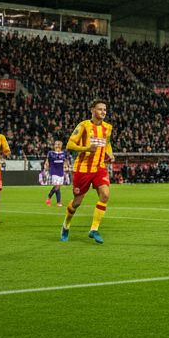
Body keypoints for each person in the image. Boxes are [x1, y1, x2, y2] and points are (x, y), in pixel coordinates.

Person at [62, 100, 114, 244]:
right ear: (92, 110)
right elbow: (70, 144)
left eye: (104, 109)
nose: (103, 112)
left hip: (99, 168)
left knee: (105, 194)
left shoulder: (107, 127)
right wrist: (86, 148)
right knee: (77, 202)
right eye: (100, 109)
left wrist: (110, 153)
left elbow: (107, 143)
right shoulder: (83, 126)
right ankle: (66, 223)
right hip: (82, 169)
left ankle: (94, 229)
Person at [45, 139, 70, 207]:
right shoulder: (51, 153)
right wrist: (46, 166)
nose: (58, 145)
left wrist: (67, 166)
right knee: (57, 185)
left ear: (61, 146)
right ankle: (58, 202)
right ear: (54, 145)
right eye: (57, 144)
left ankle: (49, 197)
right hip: (53, 171)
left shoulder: (64, 153)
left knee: (58, 185)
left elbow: (67, 160)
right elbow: (47, 160)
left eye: (59, 144)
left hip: (61, 171)